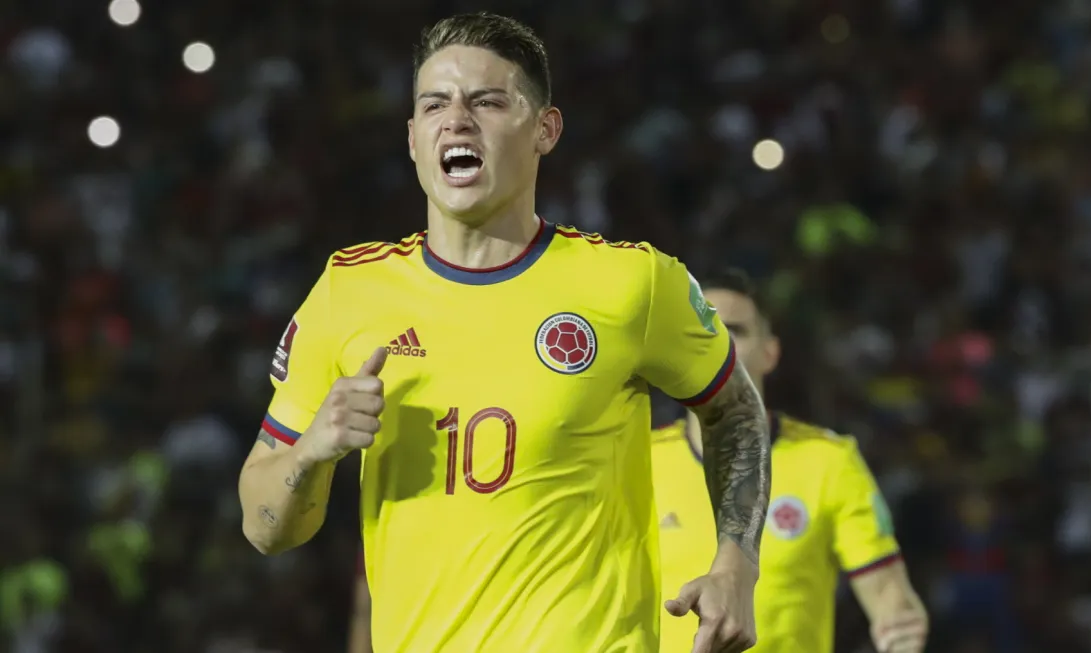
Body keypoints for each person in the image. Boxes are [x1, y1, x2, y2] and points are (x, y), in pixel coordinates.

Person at [236, 12, 772, 653]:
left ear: (545, 129)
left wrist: (736, 565)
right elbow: (266, 528)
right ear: (413, 138)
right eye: (434, 104)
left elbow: (735, 410)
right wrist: (312, 451)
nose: (456, 119)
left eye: (487, 101)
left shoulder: (633, 283)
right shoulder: (348, 292)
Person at [653, 269, 929, 653]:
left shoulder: (828, 461)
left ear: (770, 353)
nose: (716, 339)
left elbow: (887, 595)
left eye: (734, 328)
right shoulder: (639, 461)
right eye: (701, 325)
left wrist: (899, 628)